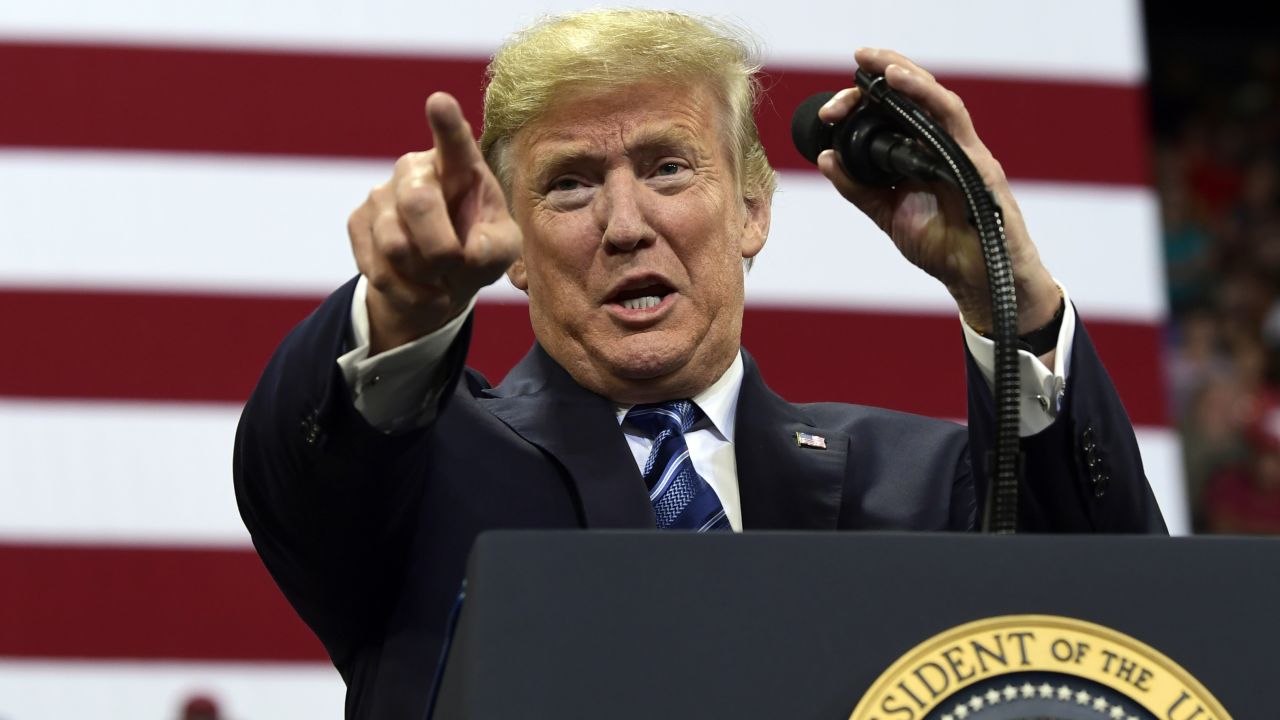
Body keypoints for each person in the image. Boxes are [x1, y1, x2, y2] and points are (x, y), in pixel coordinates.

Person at [233, 9, 1166, 719]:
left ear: (753, 209)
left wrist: (1018, 296)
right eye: (570, 185)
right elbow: (299, 468)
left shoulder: (926, 486)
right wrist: (397, 314)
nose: (627, 224)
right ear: (513, 245)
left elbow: (1134, 637)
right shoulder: (427, 474)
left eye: (669, 168)